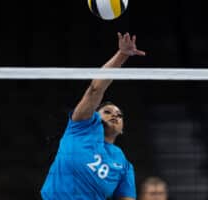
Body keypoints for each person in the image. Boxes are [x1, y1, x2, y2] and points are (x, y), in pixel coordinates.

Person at [41, 32, 146, 200]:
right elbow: (95, 90)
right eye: (107, 111)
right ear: (95, 117)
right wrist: (122, 55)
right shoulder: (80, 127)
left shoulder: (124, 165)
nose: (114, 115)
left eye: (119, 115)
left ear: (123, 129)